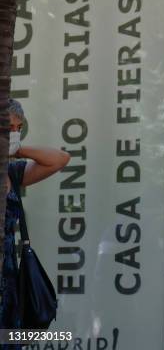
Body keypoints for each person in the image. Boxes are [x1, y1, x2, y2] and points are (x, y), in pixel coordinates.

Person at [1, 99, 70, 338]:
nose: (14, 133)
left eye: (18, 129)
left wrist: (16, 149)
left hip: (8, 281)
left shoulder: (13, 171)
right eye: (9, 128)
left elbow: (59, 159)